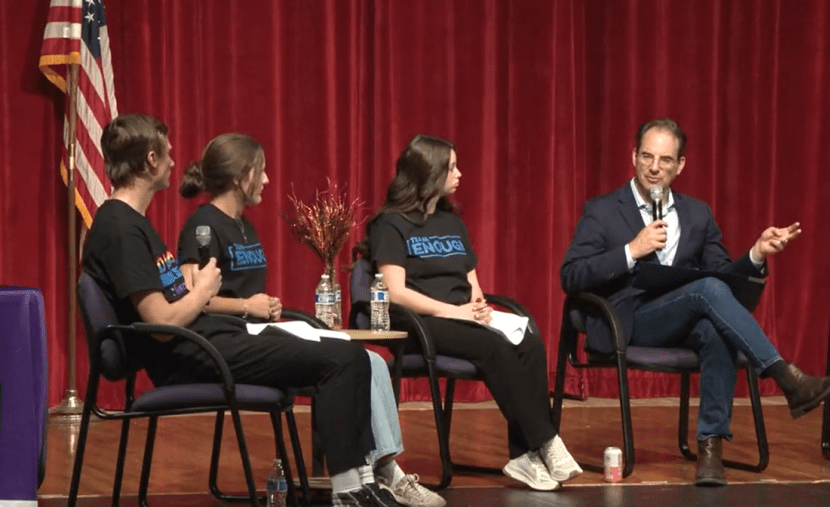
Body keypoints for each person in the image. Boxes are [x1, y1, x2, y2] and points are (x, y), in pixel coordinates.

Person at [82, 114, 400, 507]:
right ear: (150, 160)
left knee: (347, 352)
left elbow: (173, 303)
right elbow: (162, 323)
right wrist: (204, 291)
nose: (174, 161)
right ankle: (349, 491)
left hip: (208, 337)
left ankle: (361, 483)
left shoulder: (132, 222)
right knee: (342, 359)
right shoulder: (120, 227)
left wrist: (205, 297)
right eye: (167, 153)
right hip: (188, 352)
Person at [559, 117, 830, 486]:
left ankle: (710, 449)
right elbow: (571, 275)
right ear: (633, 157)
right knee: (706, 291)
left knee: (715, 328)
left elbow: (724, 279)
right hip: (628, 321)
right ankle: (787, 379)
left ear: (680, 165)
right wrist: (631, 250)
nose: (654, 167)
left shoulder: (697, 214)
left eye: (665, 160)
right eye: (647, 156)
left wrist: (757, 253)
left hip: (681, 319)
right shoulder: (602, 210)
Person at [176, 133, 445, 507]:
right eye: (261, 171)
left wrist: (263, 306)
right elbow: (193, 298)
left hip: (257, 330)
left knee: (365, 358)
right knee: (343, 359)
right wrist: (245, 306)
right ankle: (353, 484)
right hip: (225, 340)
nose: (267, 179)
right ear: (240, 177)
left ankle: (375, 476)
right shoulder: (202, 225)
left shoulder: (243, 225)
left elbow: (243, 295)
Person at [358, 134, 582, 492]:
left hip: (462, 317)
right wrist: (455, 312)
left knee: (528, 339)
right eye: (451, 168)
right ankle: (547, 441)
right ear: (428, 173)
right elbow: (396, 292)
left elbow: (471, 280)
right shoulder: (390, 224)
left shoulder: (452, 222)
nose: (459, 174)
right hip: (419, 323)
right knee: (493, 346)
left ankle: (523, 455)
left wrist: (477, 305)